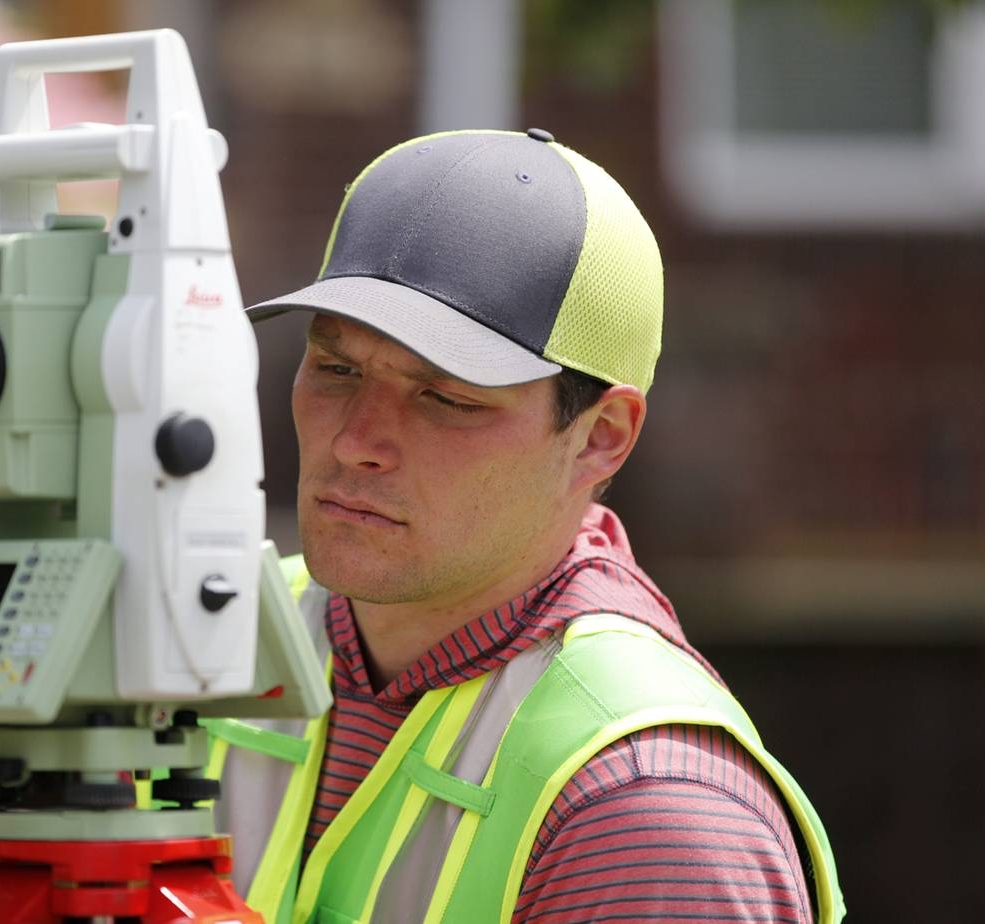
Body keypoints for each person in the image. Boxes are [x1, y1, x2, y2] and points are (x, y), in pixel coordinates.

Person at [206, 129, 845, 923]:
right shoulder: (199, 637)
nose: (355, 441)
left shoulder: (651, 817)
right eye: (337, 369)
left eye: (445, 398)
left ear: (601, 436)